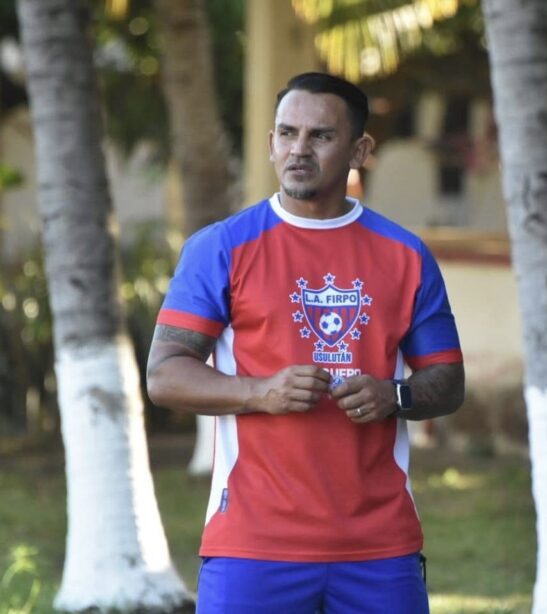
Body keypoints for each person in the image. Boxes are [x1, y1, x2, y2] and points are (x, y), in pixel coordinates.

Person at [147, 72, 465, 613]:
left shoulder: (405, 255)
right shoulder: (221, 247)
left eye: (320, 135)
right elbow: (164, 374)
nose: (298, 149)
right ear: (270, 142)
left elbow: (448, 381)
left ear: (359, 150)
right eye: (287, 133)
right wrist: (259, 391)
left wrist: (395, 395)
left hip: (379, 546)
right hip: (251, 543)